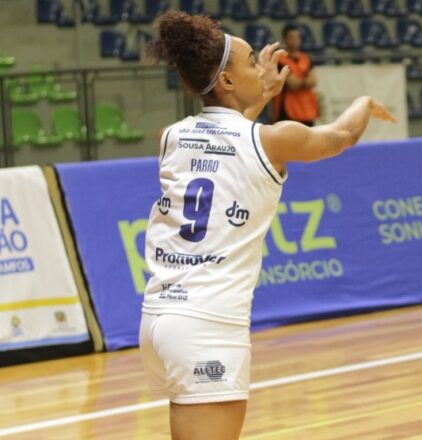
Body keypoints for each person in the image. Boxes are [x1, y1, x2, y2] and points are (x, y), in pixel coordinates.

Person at [140, 11, 393, 440]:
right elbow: (342, 136)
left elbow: (230, 137)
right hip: (208, 323)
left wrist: (258, 96)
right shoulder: (275, 140)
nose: (261, 68)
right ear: (226, 80)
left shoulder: (172, 136)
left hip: (159, 318)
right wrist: (364, 103)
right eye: (251, 61)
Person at [271, 25, 319, 126]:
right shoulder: (280, 60)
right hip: (287, 109)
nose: (295, 40)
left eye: (297, 37)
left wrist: (300, 81)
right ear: (285, 39)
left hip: (307, 109)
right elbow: (293, 84)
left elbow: (313, 81)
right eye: (291, 37)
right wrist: (305, 80)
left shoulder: (306, 58)